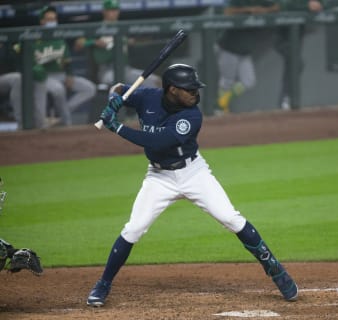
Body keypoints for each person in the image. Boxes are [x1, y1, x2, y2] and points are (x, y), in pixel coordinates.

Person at [86, 63, 298, 307]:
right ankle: (103, 284)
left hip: (193, 174)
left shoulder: (192, 115)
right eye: (190, 89)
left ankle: (276, 270)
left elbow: (158, 141)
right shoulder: (148, 97)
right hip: (158, 178)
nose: (196, 94)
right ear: (173, 90)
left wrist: (117, 126)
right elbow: (119, 88)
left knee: (231, 218)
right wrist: (115, 97)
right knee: (133, 229)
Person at [74, 0, 161, 88]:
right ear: (104, 11)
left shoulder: (122, 26)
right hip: (107, 71)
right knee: (119, 86)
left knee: (156, 81)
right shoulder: (98, 27)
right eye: (110, 10)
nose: (113, 13)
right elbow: (78, 44)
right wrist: (94, 42)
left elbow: (138, 42)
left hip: (126, 69)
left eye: (115, 10)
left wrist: (133, 41)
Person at [216, 0, 280, 113]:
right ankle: (221, 110)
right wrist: (248, 11)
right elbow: (227, 11)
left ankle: (223, 101)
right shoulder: (240, 3)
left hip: (245, 51)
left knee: (249, 82)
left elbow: (276, 7)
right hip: (229, 47)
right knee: (226, 82)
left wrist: (261, 10)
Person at [274, 0, 323, 110]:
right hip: (282, 35)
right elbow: (283, 5)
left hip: (297, 34)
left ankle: (285, 100)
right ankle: (286, 99)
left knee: (292, 67)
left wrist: (320, 4)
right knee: (296, 63)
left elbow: (325, 3)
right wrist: (306, 5)